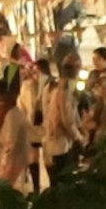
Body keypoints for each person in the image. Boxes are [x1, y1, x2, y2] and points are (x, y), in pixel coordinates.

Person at [41, 53, 86, 182]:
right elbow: (67, 120)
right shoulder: (65, 90)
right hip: (61, 146)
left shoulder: (50, 86)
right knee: (64, 186)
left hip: (49, 143)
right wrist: (79, 138)